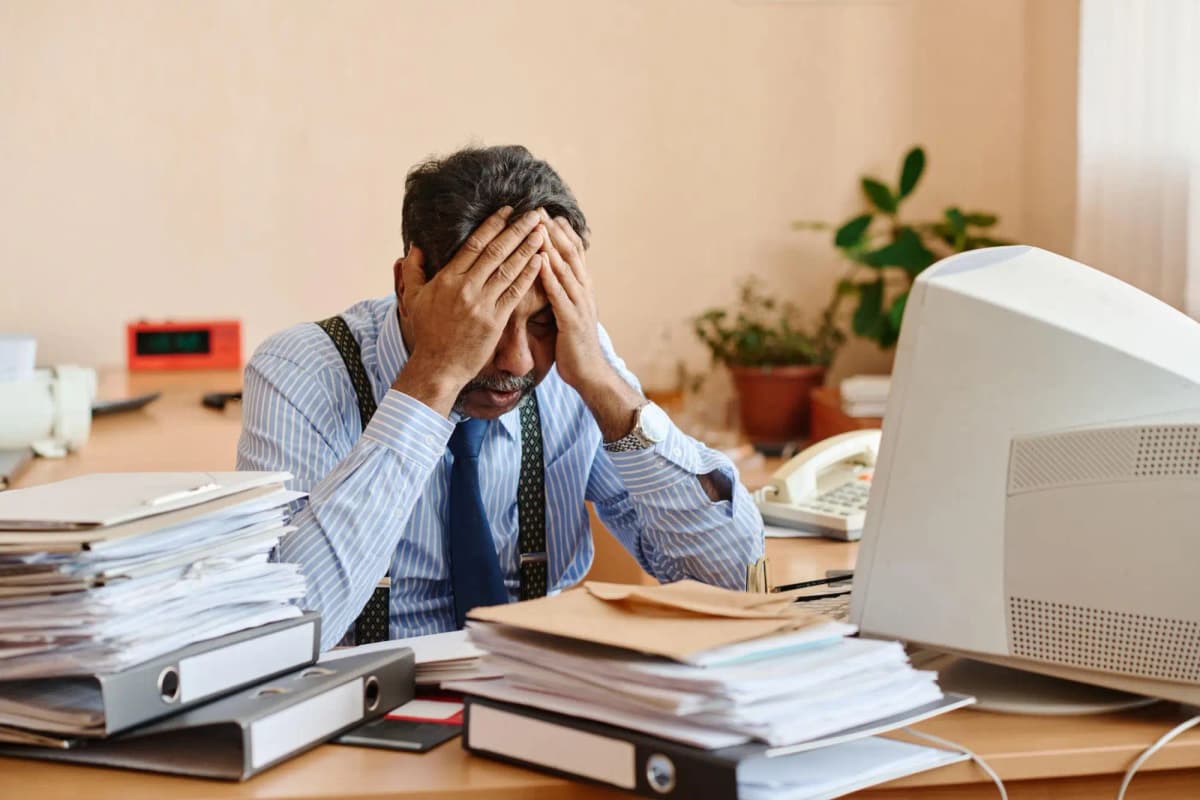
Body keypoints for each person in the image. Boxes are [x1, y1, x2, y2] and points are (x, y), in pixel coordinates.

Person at [237, 145, 764, 649]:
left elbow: (733, 579)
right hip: (362, 716)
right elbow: (283, 628)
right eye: (481, 321)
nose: (518, 361)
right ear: (408, 285)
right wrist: (432, 381)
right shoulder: (301, 371)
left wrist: (605, 386)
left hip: (534, 702)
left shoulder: (575, 362)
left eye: (541, 323)